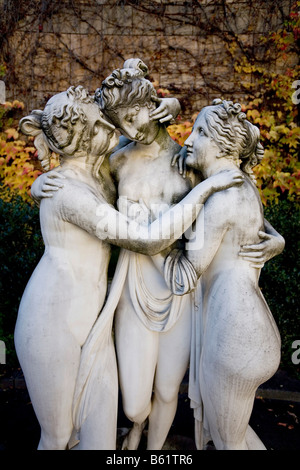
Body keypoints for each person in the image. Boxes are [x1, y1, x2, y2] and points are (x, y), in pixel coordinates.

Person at [14, 86, 241, 450]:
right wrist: (203, 191)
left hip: (94, 327)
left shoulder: (99, 177)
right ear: (86, 139)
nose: (117, 131)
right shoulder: (71, 189)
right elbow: (148, 240)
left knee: (99, 441)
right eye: (105, 125)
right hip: (53, 320)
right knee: (58, 437)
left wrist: (171, 106)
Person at [166, 99, 282, 450]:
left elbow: (185, 277)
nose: (188, 140)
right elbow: (259, 227)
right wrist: (278, 240)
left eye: (200, 133)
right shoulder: (244, 185)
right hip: (249, 329)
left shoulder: (221, 200)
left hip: (237, 337)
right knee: (231, 434)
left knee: (228, 440)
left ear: (221, 145)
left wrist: (149, 240)